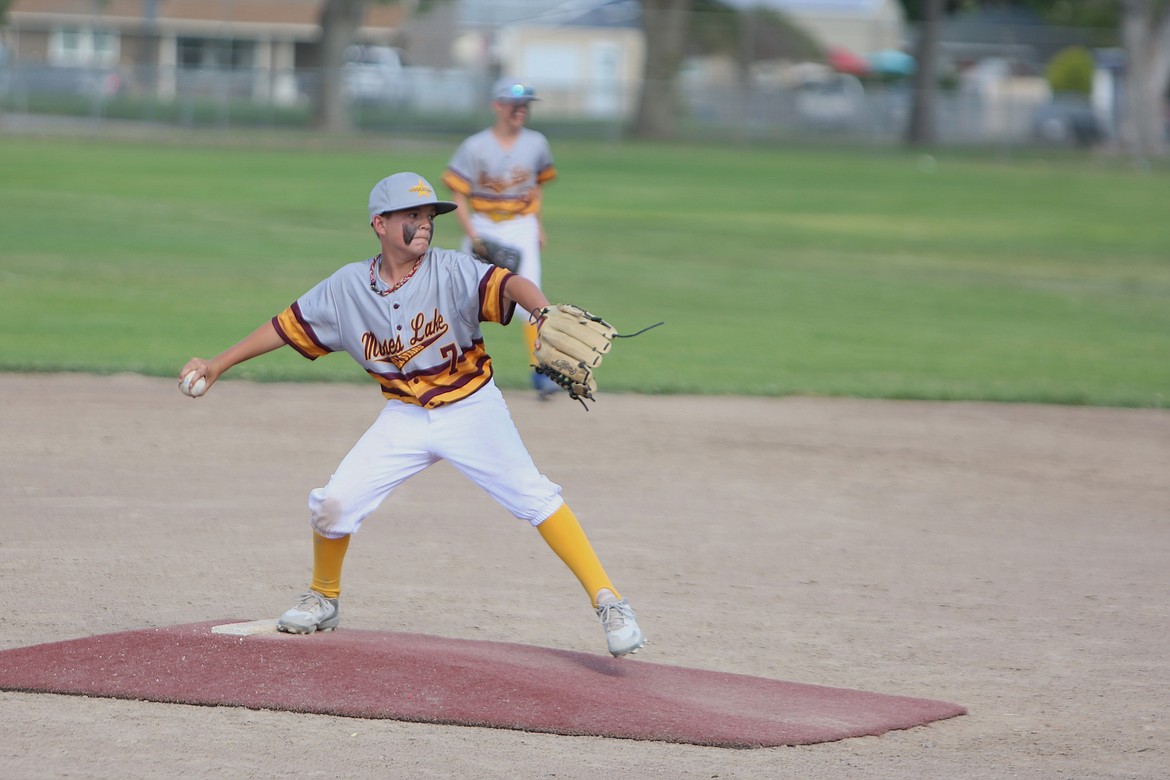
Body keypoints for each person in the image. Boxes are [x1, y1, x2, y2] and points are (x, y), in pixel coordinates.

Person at [177, 172, 646, 657]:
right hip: (404, 416)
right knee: (333, 503)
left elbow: (510, 285)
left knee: (536, 497)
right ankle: (324, 597)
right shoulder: (346, 288)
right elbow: (284, 326)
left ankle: (609, 601)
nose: (425, 225)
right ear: (380, 224)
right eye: (412, 216)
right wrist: (217, 364)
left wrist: (542, 313)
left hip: (471, 408)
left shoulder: (450, 270)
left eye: (429, 217)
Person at [441, 77, 560, 399]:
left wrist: (538, 225)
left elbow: (536, 187)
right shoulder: (475, 145)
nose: (521, 110)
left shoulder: (537, 143)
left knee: (532, 301)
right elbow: (457, 194)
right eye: (514, 105)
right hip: (483, 225)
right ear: (498, 106)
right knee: (460, 301)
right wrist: (474, 236)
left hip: (521, 226)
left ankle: (544, 373)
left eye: (525, 106)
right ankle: (449, 371)